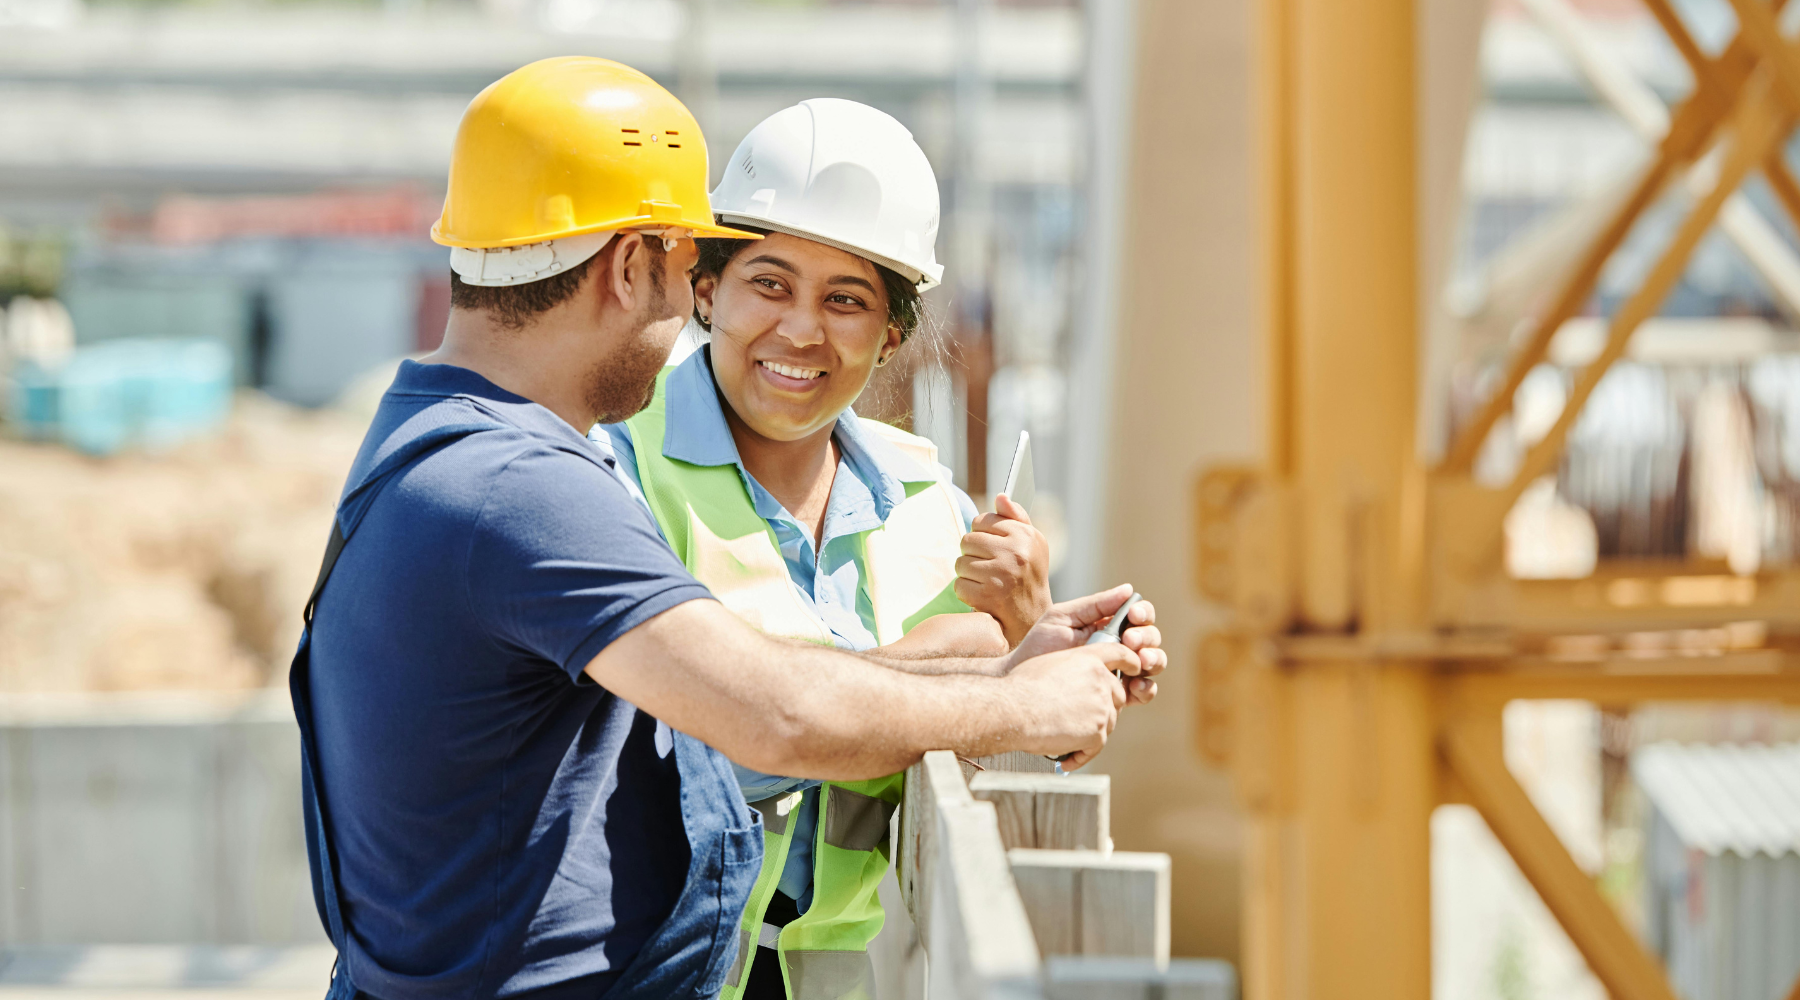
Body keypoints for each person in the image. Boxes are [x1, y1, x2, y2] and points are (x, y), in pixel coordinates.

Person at [291, 57, 1161, 1000]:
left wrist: (996, 662)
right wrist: (1021, 706)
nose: (684, 311)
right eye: (687, 270)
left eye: (845, 299)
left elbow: (732, 695)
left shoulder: (449, 442)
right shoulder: (524, 487)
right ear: (632, 267)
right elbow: (771, 714)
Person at [597, 98, 1162, 1000]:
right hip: (653, 968)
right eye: (769, 283)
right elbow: (700, 736)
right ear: (707, 288)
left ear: (892, 332)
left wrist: (1036, 636)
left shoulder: (927, 500)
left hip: (826, 976)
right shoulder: (617, 467)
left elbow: (980, 737)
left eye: (847, 300)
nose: (802, 330)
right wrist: (942, 669)